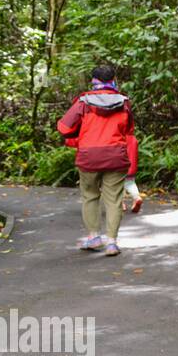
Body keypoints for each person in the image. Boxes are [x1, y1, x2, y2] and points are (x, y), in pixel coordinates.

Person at [56, 66, 139, 256]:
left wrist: (81, 131)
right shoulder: (124, 102)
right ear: (114, 80)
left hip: (88, 157)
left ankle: (94, 237)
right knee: (114, 200)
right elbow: (129, 130)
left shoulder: (83, 103)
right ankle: (111, 242)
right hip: (116, 156)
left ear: (93, 80)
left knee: (90, 196)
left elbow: (63, 127)